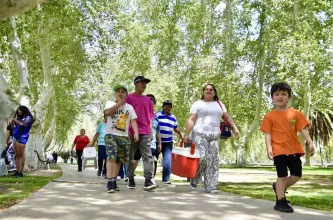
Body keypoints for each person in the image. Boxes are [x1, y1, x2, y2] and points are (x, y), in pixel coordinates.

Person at [260, 82, 315, 213]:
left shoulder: (295, 113)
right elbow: (268, 134)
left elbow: (303, 129)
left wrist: (310, 142)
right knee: (282, 176)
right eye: (277, 94)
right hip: (279, 150)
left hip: (294, 150)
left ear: (289, 97)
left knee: (296, 175)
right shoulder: (269, 116)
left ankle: (278, 187)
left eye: (283, 94)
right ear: (272, 97)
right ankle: (280, 201)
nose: (280, 96)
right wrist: (269, 148)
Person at [184, 84, 240, 193]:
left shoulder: (219, 104)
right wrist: (186, 134)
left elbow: (227, 117)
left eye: (211, 90)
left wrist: (235, 128)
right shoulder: (198, 104)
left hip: (215, 135)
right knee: (203, 157)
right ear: (203, 92)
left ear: (214, 92)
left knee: (213, 160)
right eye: (206, 89)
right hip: (199, 133)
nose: (209, 91)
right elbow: (192, 119)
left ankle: (211, 185)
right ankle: (194, 177)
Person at [104, 84, 139, 193]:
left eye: (123, 92)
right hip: (111, 135)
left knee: (119, 159)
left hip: (123, 137)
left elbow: (133, 121)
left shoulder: (129, 107)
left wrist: (136, 133)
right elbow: (107, 113)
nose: (120, 93)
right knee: (111, 156)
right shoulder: (110, 104)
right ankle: (109, 181)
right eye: (118, 91)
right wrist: (119, 103)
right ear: (115, 94)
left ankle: (114, 180)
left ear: (127, 95)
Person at [126, 76, 157, 191]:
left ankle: (148, 180)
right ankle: (130, 178)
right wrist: (127, 131)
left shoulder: (148, 101)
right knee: (130, 156)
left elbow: (150, 119)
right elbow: (126, 115)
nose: (144, 85)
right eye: (142, 83)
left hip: (145, 132)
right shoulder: (129, 98)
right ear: (135, 84)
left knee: (148, 156)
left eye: (145, 83)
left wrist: (151, 132)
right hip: (130, 131)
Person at [155, 100, 183, 184]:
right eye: (166, 106)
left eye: (169, 106)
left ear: (171, 108)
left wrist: (181, 133)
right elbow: (153, 126)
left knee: (167, 161)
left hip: (168, 142)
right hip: (157, 141)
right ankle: (151, 178)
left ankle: (166, 179)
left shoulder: (173, 117)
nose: (167, 107)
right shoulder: (157, 115)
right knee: (154, 160)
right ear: (163, 107)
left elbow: (175, 127)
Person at [12, 106, 34, 178]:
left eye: (20, 110)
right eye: (18, 111)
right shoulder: (20, 117)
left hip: (22, 137)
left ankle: (20, 172)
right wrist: (14, 119)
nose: (19, 112)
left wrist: (14, 119)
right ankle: (17, 171)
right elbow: (16, 125)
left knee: (21, 155)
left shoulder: (28, 117)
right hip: (15, 137)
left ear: (24, 110)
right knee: (17, 155)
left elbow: (22, 124)